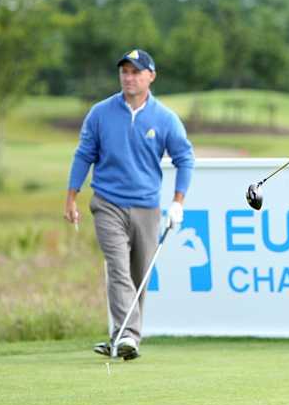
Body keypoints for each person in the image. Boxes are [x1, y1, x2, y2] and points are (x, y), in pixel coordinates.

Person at [63, 48, 194, 360]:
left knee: (139, 275)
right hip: (108, 203)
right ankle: (128, 335)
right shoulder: (100, 113)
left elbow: (184, 158)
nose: (129, 77)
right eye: (125, 71)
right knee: (118, 268)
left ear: (151, 76)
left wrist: (177, 202)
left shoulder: (164, 118)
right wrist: (71, 196)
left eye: (136, 72)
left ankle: (123, 336)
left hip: (147, 207)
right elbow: (84, 154)